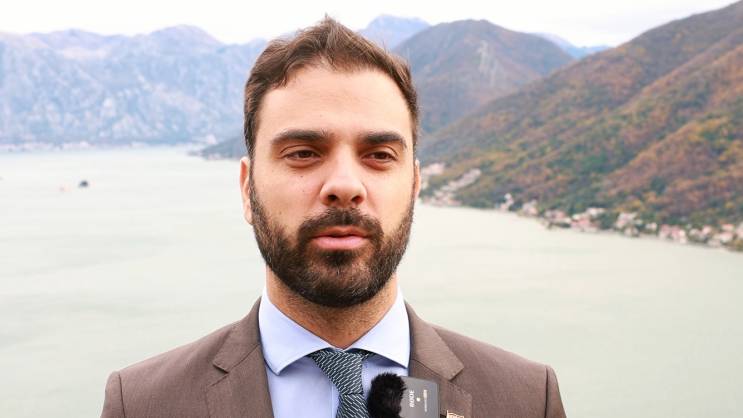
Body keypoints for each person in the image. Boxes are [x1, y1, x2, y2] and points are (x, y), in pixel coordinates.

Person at [100, 17, 566, 418]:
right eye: (303, 153)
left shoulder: (524, 400)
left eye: (379, 155)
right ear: (247, 188)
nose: (345, 184)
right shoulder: (143, 404)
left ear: (415, 185)